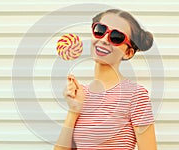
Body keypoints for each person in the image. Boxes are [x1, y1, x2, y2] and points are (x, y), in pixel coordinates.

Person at [54, 9, 157, 150]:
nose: (103, 40)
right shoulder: (80, 94)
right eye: (100, 30)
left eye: (116, 37)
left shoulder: (135, 95)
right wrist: (74, 110)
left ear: (128, 53)